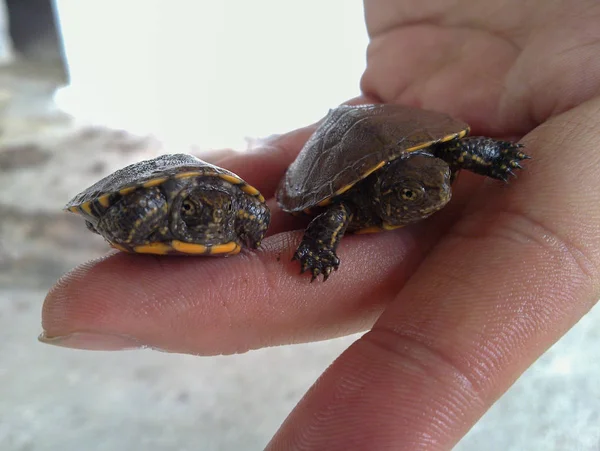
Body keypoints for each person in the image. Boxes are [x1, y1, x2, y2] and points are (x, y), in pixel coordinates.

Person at [40, 0, 600, 449]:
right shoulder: (354, 202)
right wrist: (314, 245)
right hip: (334, 155)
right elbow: (332, 210)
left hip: (401, 133)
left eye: (437, 186)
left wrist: (493, 158)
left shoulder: (434, 169)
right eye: (410, 194)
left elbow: (456, 151)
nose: (432, 197)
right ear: (387, 194)